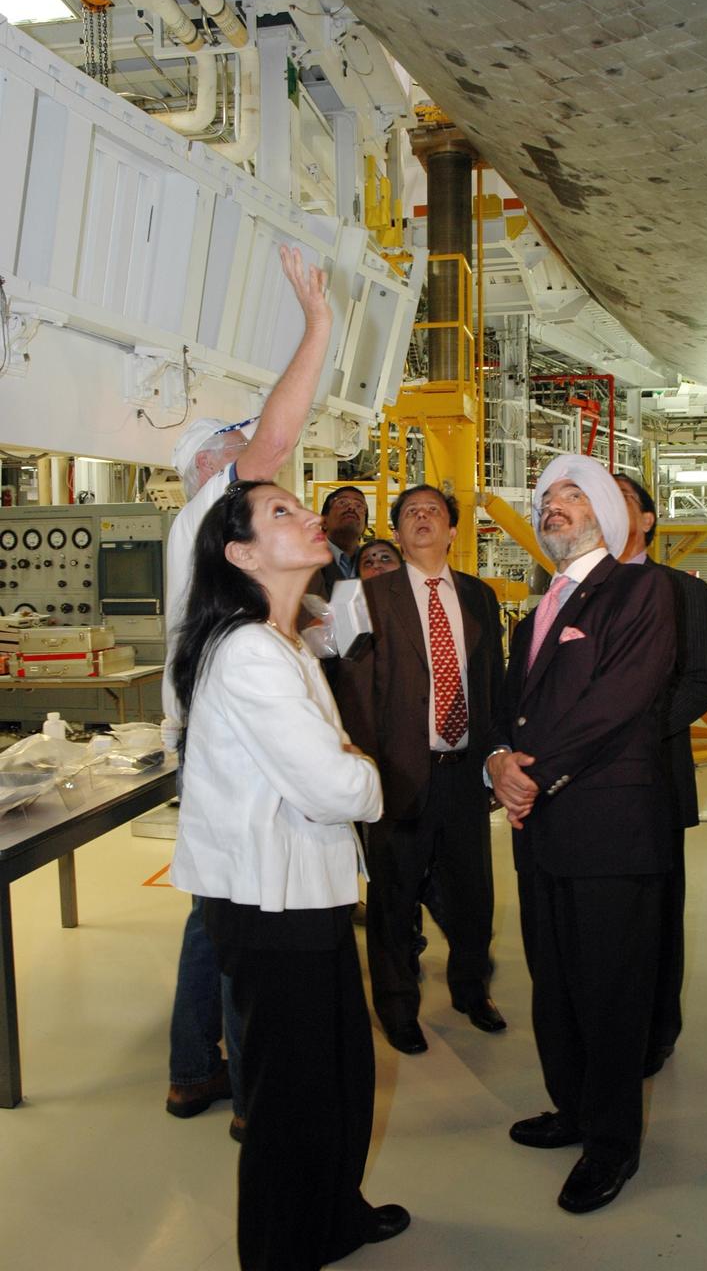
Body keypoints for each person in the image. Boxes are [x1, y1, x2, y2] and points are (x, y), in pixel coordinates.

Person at [169, 479, 410, 1270]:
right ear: (240, 555)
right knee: (289, 1098)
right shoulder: (247, 654)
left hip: (305, 892)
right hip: (270, 906)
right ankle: (279, 1250)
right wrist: (365, 776)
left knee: (338, 1075)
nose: (309, 516)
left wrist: (346, 775)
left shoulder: (280, 641)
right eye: (282, 512)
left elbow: (325, 781)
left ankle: (332, 1216)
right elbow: (334, 786)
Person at [163, 245, 332, 1141]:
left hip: (210, 735)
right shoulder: (204, 516)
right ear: (206, 472)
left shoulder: (201, 545)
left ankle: (196, 1068)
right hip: (225, 742)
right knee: (245, 905)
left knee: (218, 905)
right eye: (235, 452)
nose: (258, 465)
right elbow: (276, 442)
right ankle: (243, 1086)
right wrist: (316, 324)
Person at [487, 453, 675, 1214]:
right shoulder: (537, 608)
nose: (550, 506)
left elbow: (619, 701)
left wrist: (534, 774)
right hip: (539, 828)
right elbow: (510, 703)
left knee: (609, 989)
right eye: (543, 499)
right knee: (554, 980)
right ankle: (570, 1105)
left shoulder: (641, 589)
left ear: (604, 511)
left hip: (607, 827)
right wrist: (497, 759)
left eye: (569, 494)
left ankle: (611, 1143)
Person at [336, 485, 506, 1054]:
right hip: (399, 772)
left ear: (453, 531)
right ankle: (397, 1006)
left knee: (472, 891)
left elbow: (493, 686)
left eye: (434, 510)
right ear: (399, 533)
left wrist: (496, 756)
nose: (423, 517)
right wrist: (367, 769)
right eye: (411, 513)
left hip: (464, 771)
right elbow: (354, 691)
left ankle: (470, 989)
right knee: (394, 894)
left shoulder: (480, 598)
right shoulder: (369, 596)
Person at [615, 474, 707, 1076]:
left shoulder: (685, 592)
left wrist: (635, 732)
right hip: (589, 791)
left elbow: (702, 680)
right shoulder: (574, 589)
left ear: (650, 521)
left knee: (656, 911)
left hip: (654, 775)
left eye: (625, 500)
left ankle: (657, 1028)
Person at [318, 486, 369, 587]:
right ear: (323, 522)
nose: (352, 508)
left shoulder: (374, 563)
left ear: (365, 526)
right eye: (342, 502)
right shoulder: (303, 563)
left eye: (359, 506)